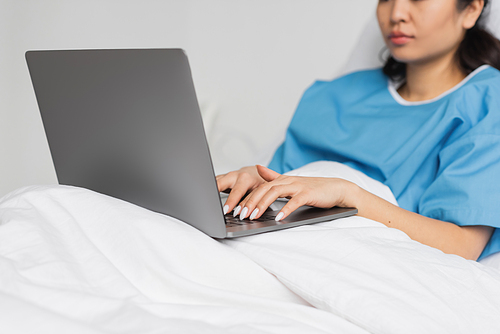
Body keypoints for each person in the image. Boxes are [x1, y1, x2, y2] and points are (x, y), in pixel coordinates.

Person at [216, 0, 500, 261]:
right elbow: (285, 185)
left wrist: (348, 195)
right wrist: (257, 179)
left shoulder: (488, 102)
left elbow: (463, 246)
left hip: (357, 252)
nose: (396, 14)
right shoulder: (334, 95)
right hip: (276, 237)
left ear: (471, 10)